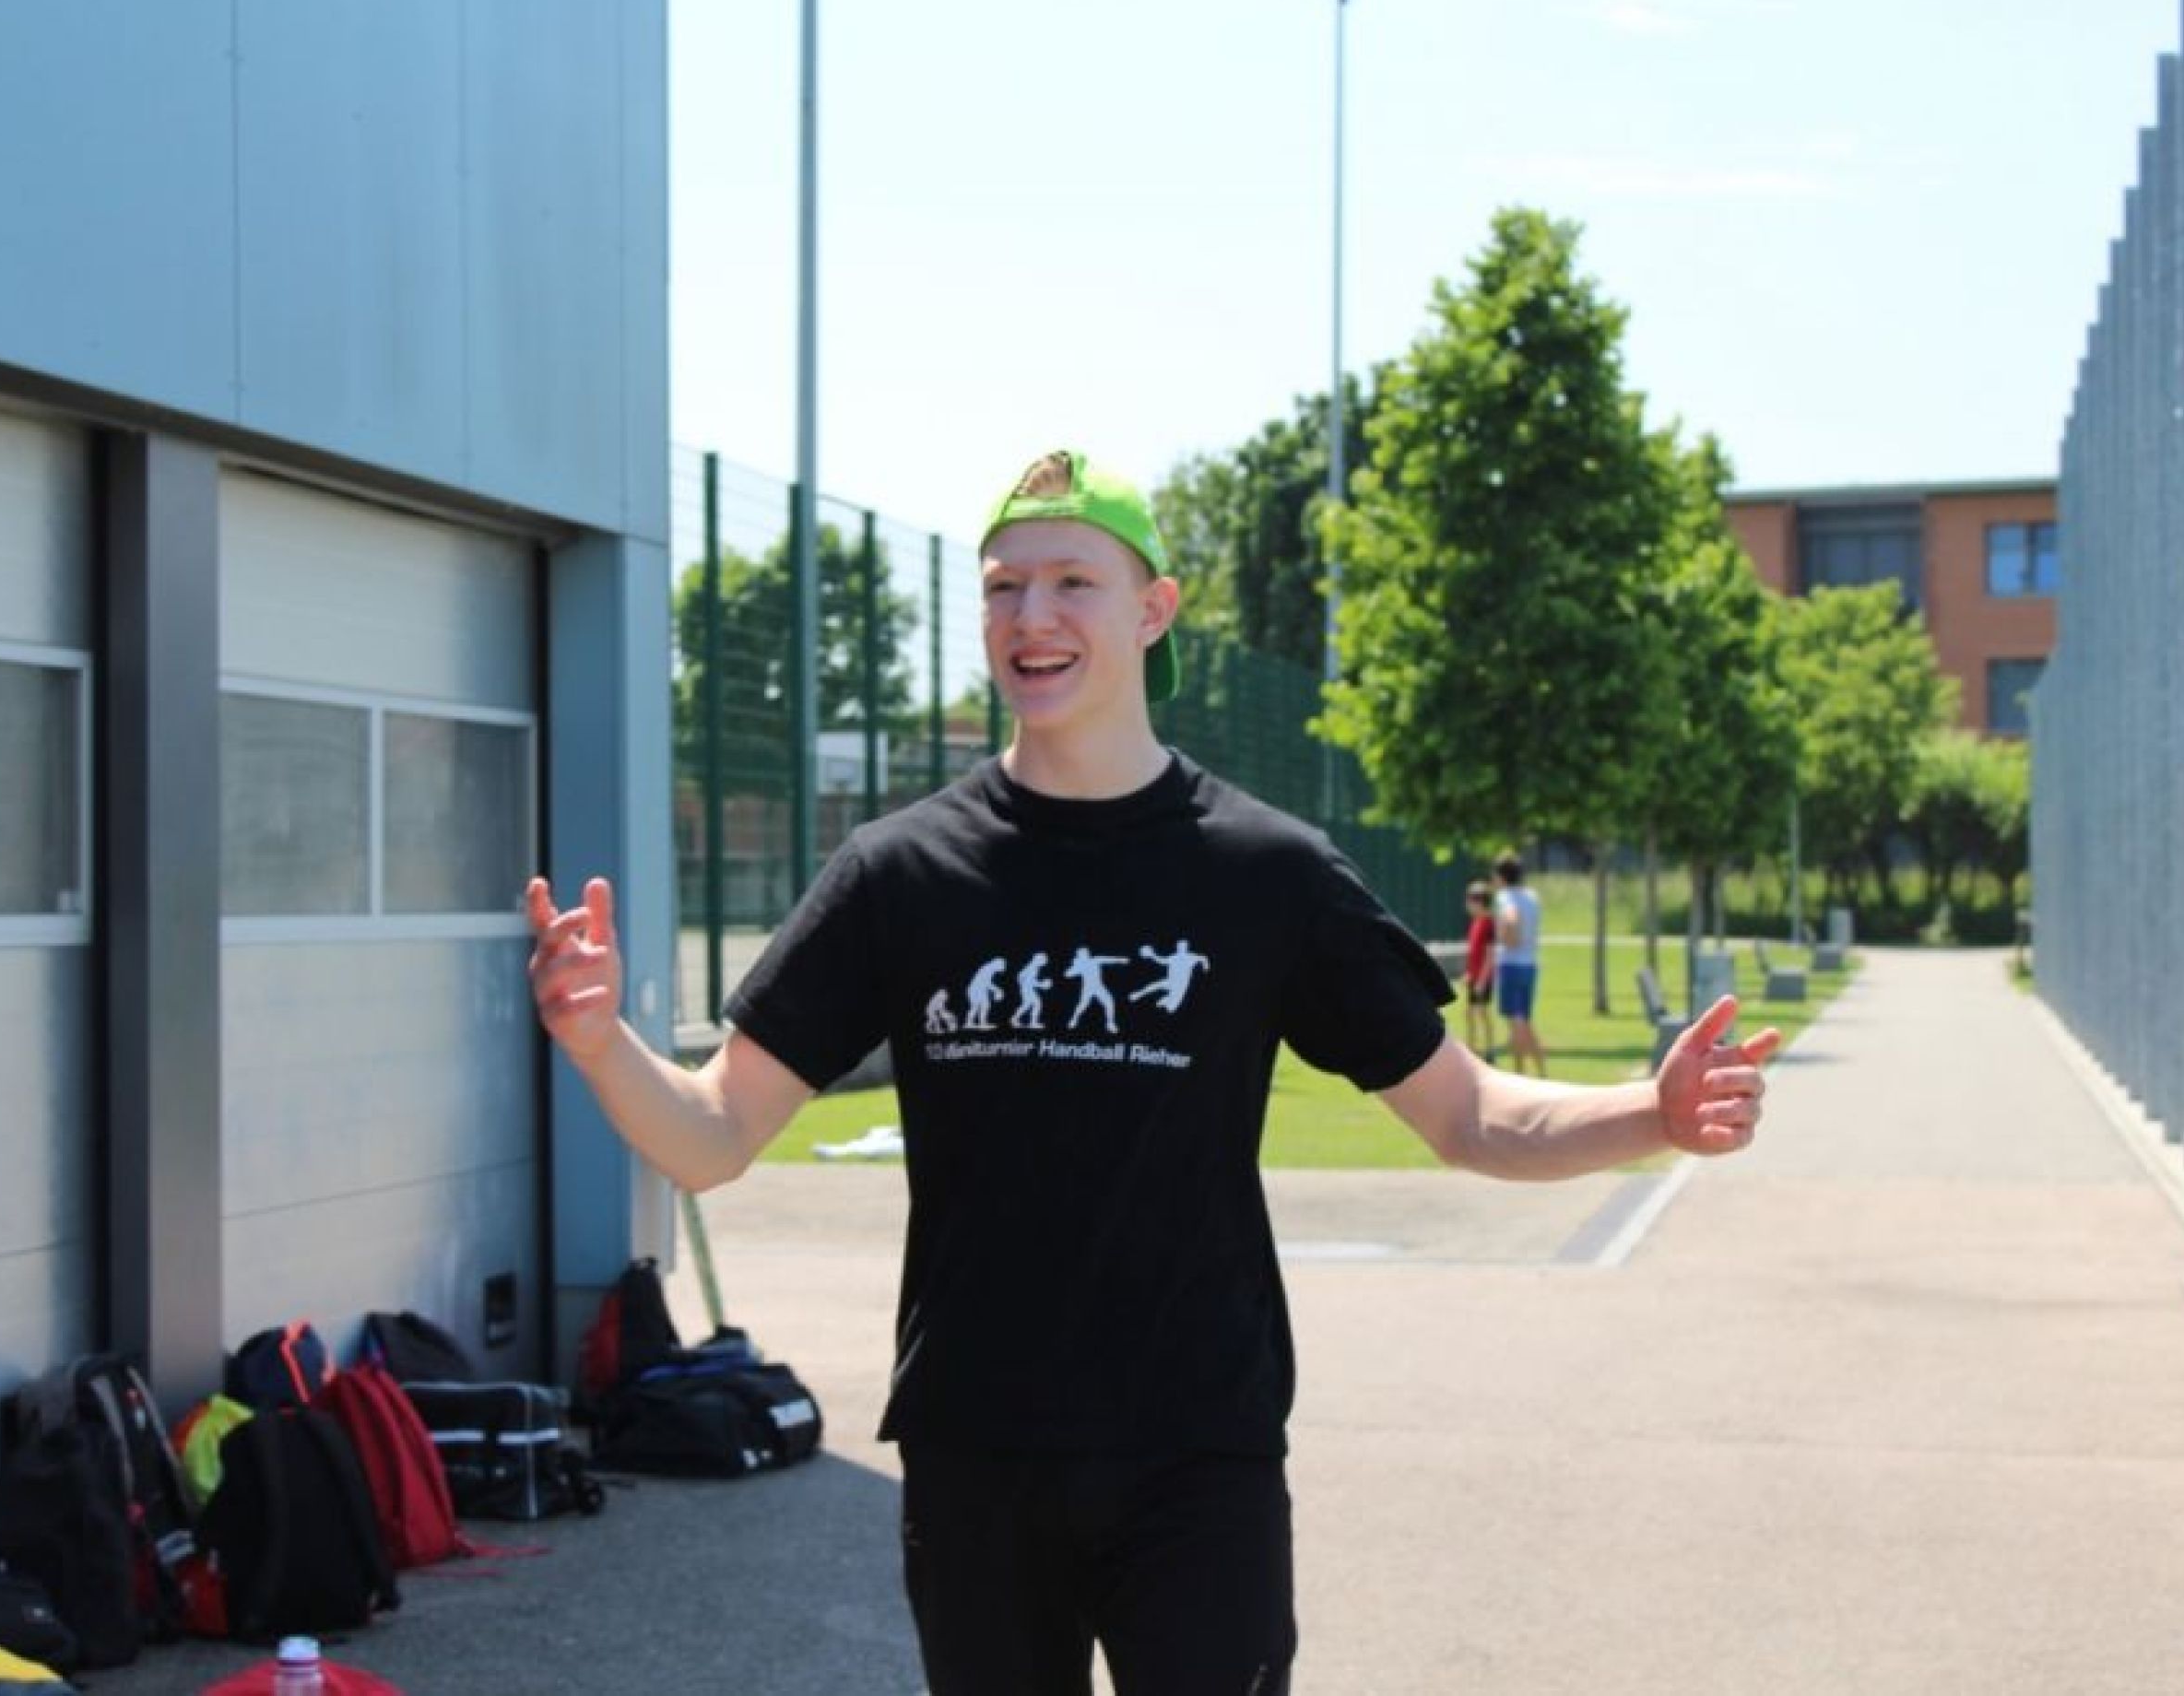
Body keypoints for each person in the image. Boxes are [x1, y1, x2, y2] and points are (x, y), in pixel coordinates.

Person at [525, 449, 1776, 1696]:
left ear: (1153, 609)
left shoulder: (1265, 875)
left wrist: (1649, 1114)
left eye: (1072, 582)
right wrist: (598, 1041)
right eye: (1004, 587)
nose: (1032, 617)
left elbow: (1468, 1113)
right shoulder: (897, 875)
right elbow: (713, 1135)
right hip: (975, 1454)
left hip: (1196, 1458)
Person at [1491, 851, 1550, 1076]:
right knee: (1523, 1020)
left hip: (1511, 965)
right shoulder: (1531, 896)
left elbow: (1511, 917)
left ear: (1501, 876)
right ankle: (1540, 1070)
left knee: (1516, 1022)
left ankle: (1520, 1073)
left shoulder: (1505, 897)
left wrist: (1508, 939)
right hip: (1530, 964)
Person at [1460, 878, 1498, 1063]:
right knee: (1469, 1013)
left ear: (1479, 902)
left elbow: (1490, 955)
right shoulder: (1476, 922)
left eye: (1470, 900)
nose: (1467, 904)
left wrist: (1482, 980)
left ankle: (1489, 1050)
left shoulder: (1489, 924)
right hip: (1474, 977)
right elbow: (1473, 952)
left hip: (1483, 979)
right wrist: (1469, 973)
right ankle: (1472, 1049)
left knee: (1481, 1012)